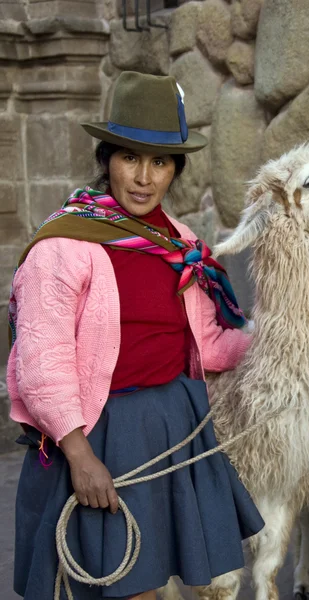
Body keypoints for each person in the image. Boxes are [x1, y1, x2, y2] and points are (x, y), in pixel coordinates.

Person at [7, 71, 264, 600]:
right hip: (95, 432)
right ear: (106, 160)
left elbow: (209, 342)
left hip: (169, 425)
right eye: (129, 158)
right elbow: (41, 361)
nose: (144, 177)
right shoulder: (65, 246)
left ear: (175, 170)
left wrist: (285, 342)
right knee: (107, 586)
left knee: (147, 584)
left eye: (161, 162)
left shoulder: (180, 244)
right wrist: (80, 456)